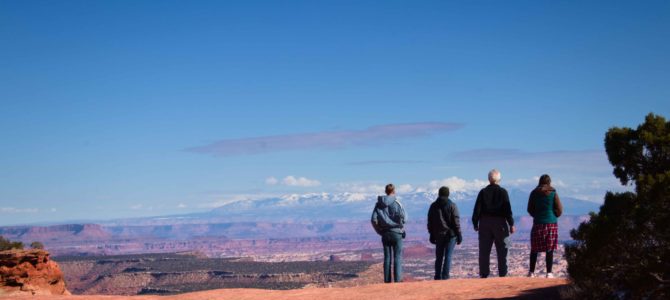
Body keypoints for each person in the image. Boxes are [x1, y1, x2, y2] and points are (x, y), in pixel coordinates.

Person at [472, 169, 515, 278]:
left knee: (484, 250)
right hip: (501, 224)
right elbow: (507, 209)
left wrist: (475, 223)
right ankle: (503, 273)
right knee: (504, 248)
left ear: (489, 179)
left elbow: (477, 209)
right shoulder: (503, 192)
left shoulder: (483, 192)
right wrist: (511, 224)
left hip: (484, 223)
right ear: (499, 179)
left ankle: (484, 274)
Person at [527, 174, 563, 278]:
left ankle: (531, 272)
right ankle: (549, 273)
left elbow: (529, 209)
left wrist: (537, 215)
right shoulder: (553, 193)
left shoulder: (534, 193)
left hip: (538, 223)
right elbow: (559, 209)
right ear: (549, 182)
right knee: (549, 248)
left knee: (534, 247)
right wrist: (554, 215)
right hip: (551, 223)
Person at [371, 183, 406, 283]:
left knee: (387, 258)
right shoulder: (398, 203)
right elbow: (404, 218)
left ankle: (387, 281)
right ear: (394, 191)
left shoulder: (378, 204)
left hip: (385, 233)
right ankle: (398, 281)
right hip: (397, 233)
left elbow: (373, 220)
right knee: (397, 257)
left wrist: (379, 231)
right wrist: (400, 227)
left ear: (386, 191)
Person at [427, 186, 462, 280]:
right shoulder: (452, 205)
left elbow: (430, 221)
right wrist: (459, 235)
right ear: (448, 194)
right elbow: (456, 221)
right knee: (448, 256)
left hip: (438, 235)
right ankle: (445, 277)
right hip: (451, 235)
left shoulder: (433, 206)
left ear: (439, 194)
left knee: (439, 257)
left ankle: (437, 277)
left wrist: (431, 234)